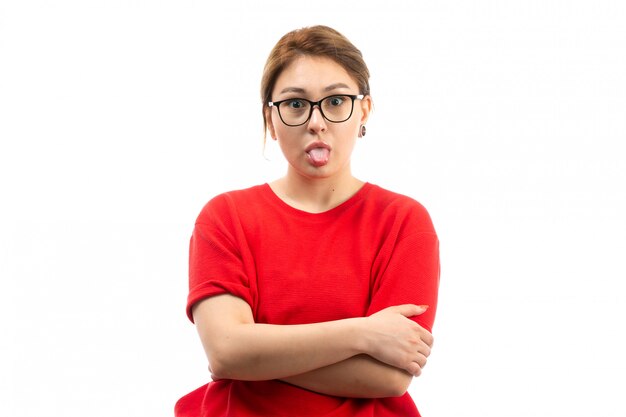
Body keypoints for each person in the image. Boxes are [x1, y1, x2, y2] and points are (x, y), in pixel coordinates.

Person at [175, 25, 440, 417]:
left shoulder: (404, 222)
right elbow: (227, 352)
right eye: (296, 104)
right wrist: (362, 333)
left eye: (335, 101)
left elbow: (389, 375)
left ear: (363, 110)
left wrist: (259, 357)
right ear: (271, 117)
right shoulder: (225, 217)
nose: (317, 121)